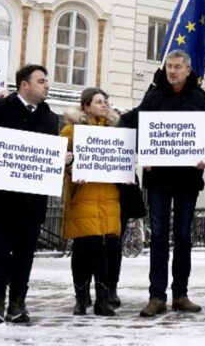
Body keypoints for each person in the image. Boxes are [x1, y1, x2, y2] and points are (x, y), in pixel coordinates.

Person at [120, 50, 205, 317]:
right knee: (160, 235)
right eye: (169, 67)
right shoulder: (154, 96)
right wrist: (143, 151)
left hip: (187, 180)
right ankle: (156, 296)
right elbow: (137, 124)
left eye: (177, 67)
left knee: (184, 237)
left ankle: (181, 294)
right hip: (159, 179)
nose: (172, 71)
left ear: (188, 70)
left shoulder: (201, 100)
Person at [0, 65, 60, 324]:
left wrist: (62, 160)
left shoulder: (49, 117)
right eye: (41, 81)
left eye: (46, 81)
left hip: (33, 200)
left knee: (25, 253)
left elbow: (49, 153)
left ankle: (18, 302)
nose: (47, 85)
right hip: (3, 197)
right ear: (24, 85)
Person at [60, 87, 121, 317]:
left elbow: (122, 159)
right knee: (84, 249)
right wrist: (70, 165)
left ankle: (102, 300)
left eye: (106, 101)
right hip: (83, 196)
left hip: (108, 196)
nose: (104, 104)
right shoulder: (71, 131)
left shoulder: (116, 132)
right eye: (98, 101)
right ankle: (81, 298)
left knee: (104, 250)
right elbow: (59, 161)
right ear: (86, 106)